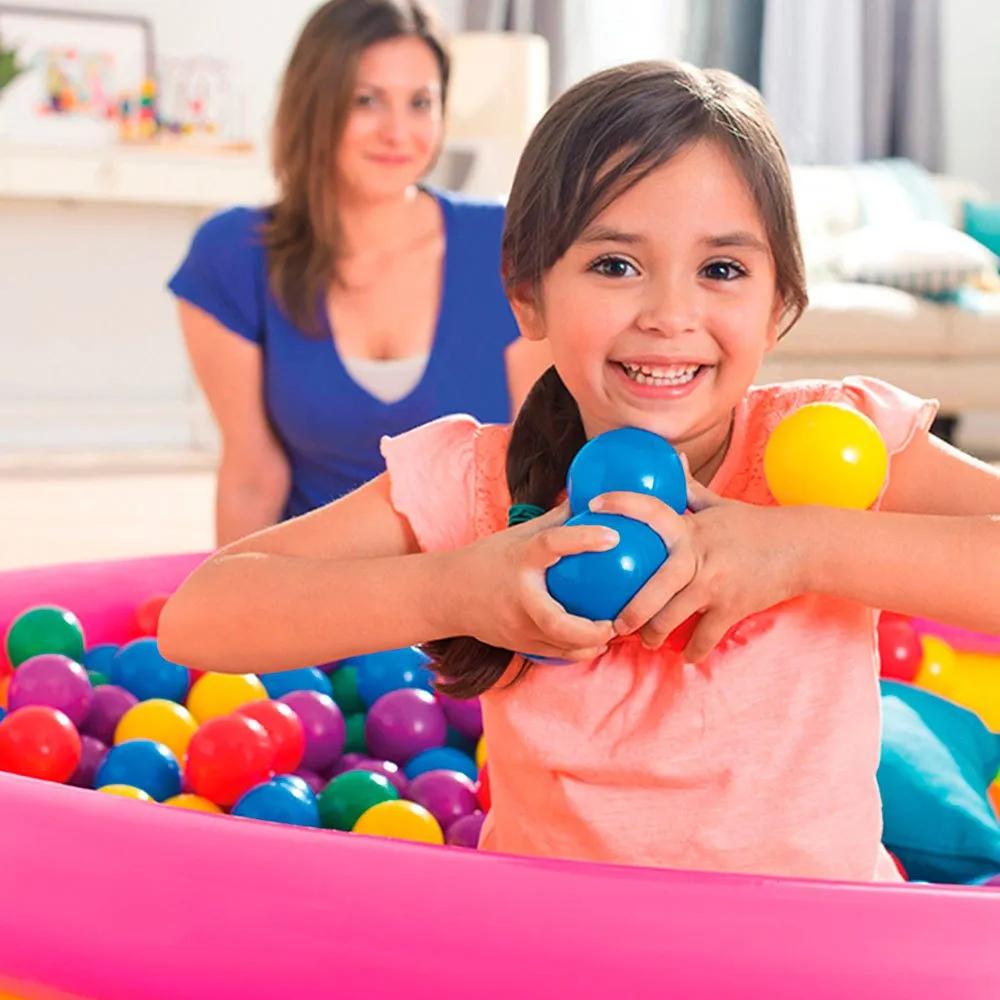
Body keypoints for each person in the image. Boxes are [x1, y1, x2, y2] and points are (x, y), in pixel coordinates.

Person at [160, 61, 1000, 882]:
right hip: (564, 948)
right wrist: (456, 591)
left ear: (779, 302)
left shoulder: (834, 447)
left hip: (813, 947)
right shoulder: (476, 483)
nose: (670, 314)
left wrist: (802, 548)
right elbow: (198, 618)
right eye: (615, 265)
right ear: (527, 294)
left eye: (721, 270)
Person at [168, 0, 547, 543]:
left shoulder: (504, 243)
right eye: (366, 100)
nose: (398, 132)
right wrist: (227, 591)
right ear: (313, 104)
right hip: (317, 575)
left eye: (420, 102)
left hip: (470, 576)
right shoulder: (234, 254)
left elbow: (537, 460)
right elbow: (254, 475)